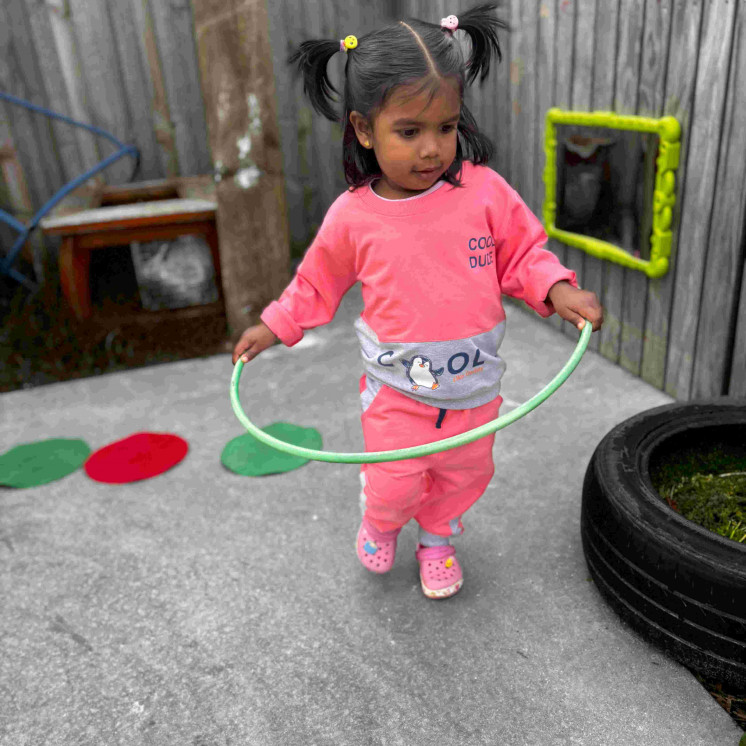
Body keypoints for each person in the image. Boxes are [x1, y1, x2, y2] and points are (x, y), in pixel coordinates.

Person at [232, 4, 604, 600]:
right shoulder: (354, 217)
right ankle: (381, 522)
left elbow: (523, 253)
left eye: (447, 127)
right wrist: (274, 326)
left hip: (475, 388)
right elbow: (316, 283)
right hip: (398, 391)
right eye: (410, 131)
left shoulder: (483, 192)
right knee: (394, 481)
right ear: (363, 129)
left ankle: (438, 539)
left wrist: (558, 289)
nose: (432, 149)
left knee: (464, 475)